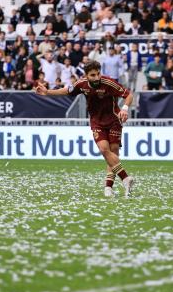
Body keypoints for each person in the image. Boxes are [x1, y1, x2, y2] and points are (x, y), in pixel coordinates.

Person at [35, 60, 135, 198]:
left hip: (114, 121)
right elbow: (67, 90)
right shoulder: (81, 84)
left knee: (113, 153)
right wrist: (48, 92)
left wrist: (124, 108)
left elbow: (128, 95)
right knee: (104, 150)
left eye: (98, 74)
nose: (97, 77)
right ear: (86, 75)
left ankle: (108, 188)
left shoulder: (108, 82)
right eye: (93, 75)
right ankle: (125, 179)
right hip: (97, 122)